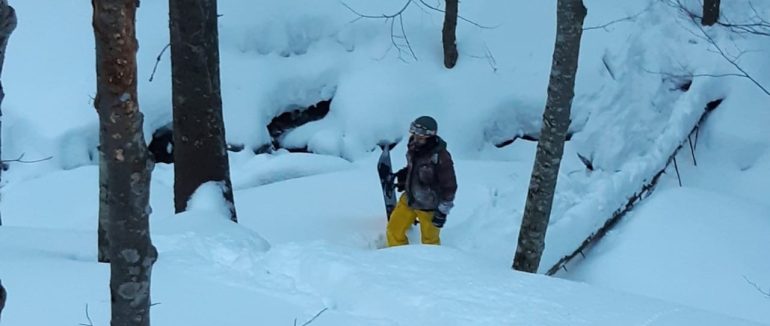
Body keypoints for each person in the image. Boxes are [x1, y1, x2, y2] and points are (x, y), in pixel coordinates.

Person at [387, 116, 457, 247]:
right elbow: (414, 167)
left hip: (429, 206)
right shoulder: (414, 147)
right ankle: (397, 259)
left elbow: (450, 185)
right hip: (409, 199)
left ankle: (429, 266)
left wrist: (443, 211)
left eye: (421, 136)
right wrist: (404, 176)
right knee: (394, 231)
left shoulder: (440, 156)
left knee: (429, 242)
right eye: (414, 133)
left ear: (430, 136)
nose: (416, 138)